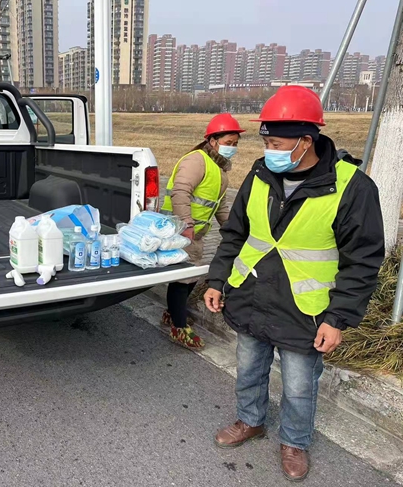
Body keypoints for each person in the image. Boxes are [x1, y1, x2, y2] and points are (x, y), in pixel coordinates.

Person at [203, 86, 384, 481]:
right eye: (266, 142)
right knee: (248, 369)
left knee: (300, 385)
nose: (269, 150)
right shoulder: (260, 174)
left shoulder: (351, 187)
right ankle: (250, 420)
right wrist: (217, 280)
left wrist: (337, 318)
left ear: (306, 141)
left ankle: (295, 442)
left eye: (276, 143)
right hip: (252, 295)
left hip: (306, 310)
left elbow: (363, 261)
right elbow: (235, 233)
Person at [161, 113, 245, 349]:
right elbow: (180, 192)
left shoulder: (218, 169)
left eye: (235, 144)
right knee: (183, 279)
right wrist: (186, 224)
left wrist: (232, 230)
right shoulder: (196, 161)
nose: (232, 148)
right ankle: (178, 326)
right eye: (228, 143)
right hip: (180, 230)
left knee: (189, 277)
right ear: (213, 140)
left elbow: (220, 205)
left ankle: (172, 313)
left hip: (195, 233)